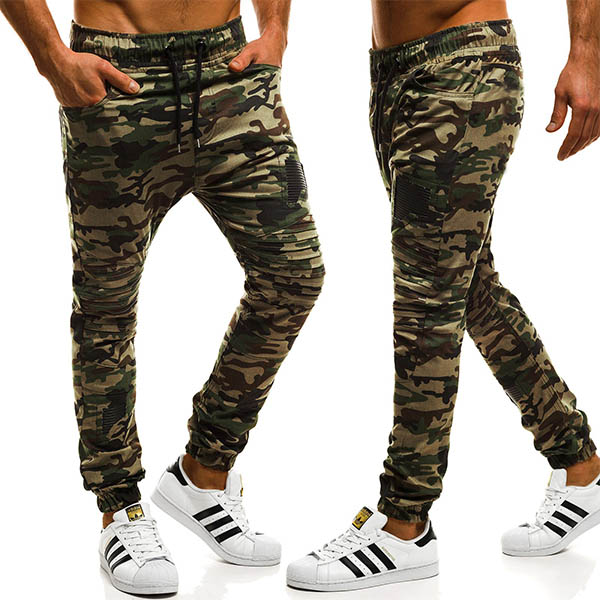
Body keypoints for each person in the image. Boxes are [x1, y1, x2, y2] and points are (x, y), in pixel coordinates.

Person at [0, 0, 325, 595]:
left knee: (293, 274)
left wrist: (275, 30)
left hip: (230, 76)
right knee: (106, 306)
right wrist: (52, 59)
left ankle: (203, 472)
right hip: (118, 79)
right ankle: (119, 507)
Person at [287, 0, 600, 592]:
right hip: (393, 73)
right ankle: (581, 467)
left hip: (463, 66)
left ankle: (404, 524)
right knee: (469, 290)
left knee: (426, 301)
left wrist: (587, 52)